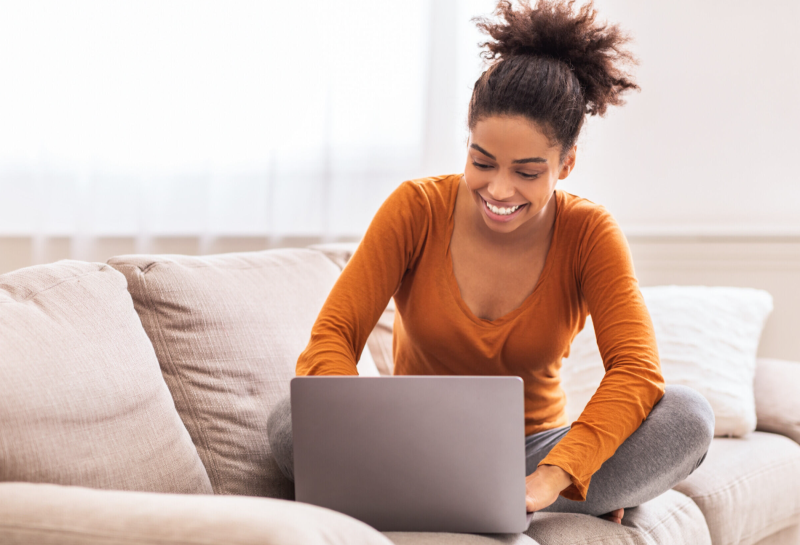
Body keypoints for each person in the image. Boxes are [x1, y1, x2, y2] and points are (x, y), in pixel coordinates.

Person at [268, 0, 714, 526]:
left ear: (566, 163)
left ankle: (501, 497)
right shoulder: (416, 208)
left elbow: (637, 372)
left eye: (527, 172)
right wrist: (362, 428)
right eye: (482, 162)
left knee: (688, 418)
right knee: (289, 423)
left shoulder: (590, 233)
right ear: (469, 143)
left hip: (532, 457)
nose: (499, 190)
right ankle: (481, 495)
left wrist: (555, 474)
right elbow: (332, 338)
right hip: (409, 442)